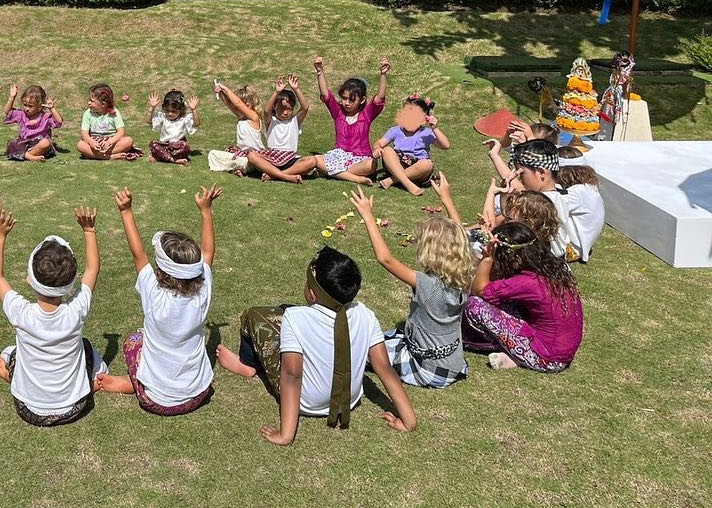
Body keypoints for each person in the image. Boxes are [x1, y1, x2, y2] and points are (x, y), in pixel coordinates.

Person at [217, 247, 417, 443]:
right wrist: (409, 421)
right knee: (285, 309)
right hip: (350, 399)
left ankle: (247, 365)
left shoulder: (295, 319)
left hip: (308, 403)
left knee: (254, 315)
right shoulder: (366, 314)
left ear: (312, 294)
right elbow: (384, 367)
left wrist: (286, 435)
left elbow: (292, 375)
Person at [95, 186, 220, 415]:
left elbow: (138, 254)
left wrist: (126, 211)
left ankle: (133, 382)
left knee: (135, 340)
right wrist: (205, 210)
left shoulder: (153, 293)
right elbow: (209, 253)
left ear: (160, 271)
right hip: (197, 394)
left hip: (152, 398)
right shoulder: (203, 292)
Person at [0, 202, 107, 426]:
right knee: (87, 348)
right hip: (75, 407)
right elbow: (92, 269)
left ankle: (7, 372)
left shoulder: (21, 312)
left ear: (29, 280)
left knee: (9, 354)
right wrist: (89, 230)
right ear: (71, 283)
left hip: (27, 408)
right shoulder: (76, 310)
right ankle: (95, 379)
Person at [352, 189, 472, 388]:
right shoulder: (465, 277)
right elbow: (462, 239)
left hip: (428, 369)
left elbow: (385, 259)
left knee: (361, 348)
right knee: (382, 337)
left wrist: (368, 216)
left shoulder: (427, 284)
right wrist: (446, 198)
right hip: (453, 364)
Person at [463, 221, 583, 372]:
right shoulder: (554, 269)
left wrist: (487, 259)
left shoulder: (529, 283)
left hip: (547, 358)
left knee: (475, 305)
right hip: (562, 351)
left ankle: (516, 355)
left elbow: (480, 290)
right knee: (507, 301)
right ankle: (515, 357)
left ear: (515, 258)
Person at [310, 55, 389, 185]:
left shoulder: (366, 115)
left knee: (371, 165)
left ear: (362, 100)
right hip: (339, 156)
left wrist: (383, 75)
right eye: (344, 98)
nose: (346, 103)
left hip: (361, 158)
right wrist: (320, 71)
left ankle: (331, 172)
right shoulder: (338, 112)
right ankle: (355, 178)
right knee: (317, 159)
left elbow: (379, 98)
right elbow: (326, 95)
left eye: (352, 100)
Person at [246, 75, 319, 183]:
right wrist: (276, 92)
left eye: (289, 109)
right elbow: (266, 111)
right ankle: (286, 176)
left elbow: (305, 107)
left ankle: (275, 175)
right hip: (271, 158)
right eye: (282, 108)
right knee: (252, 156)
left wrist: (296, 89)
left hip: (290, 159)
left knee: (312, 161)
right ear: (275, 107)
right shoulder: (271, 121)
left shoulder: (294, 121)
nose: (285, 112)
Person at [375, 95, 450, 196]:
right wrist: (377, 148)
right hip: (398, 165)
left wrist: (435, 129)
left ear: (424, 120)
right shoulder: (396, 130)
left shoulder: (426, 133)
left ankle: (392, 180)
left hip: (418, 169)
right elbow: (379, 143)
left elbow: (446, 145)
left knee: (427, 164)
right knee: (387, 150)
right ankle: (408, 184)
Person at [555, 147, 605, 262]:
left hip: (570, 249)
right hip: (580, 245)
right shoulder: (588, 188)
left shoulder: (576, 194)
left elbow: (548, 206)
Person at [207, 81, 264, 174]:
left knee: (242, 161)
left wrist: (225, 89)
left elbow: (237, 104)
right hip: (241, 155)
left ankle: (245, 169)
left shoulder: (254, 117)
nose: (236, 109)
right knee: (212, 154)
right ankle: (240, 169)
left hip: (254, 156)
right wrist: (221, 93)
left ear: (248, 104)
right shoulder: (241, 118)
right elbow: (230, 105)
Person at [77, 82, 140, 160]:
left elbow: (121, 132)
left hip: (111, 143)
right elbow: (84, 133)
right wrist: (91, 142)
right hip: (95, 142)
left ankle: (97, 155)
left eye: (92, 101)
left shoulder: (114, 112)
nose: (89, 103)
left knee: (128, 141)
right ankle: (110, 156)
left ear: (103, 104)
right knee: (80, 145)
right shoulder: (88, 113)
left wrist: (109, 142)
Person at [3, 83, 64, 162]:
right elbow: (7, 111)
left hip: (39, 145)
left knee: (46, 143)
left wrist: (52, 108)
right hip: (24, 143)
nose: (27, 108)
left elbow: (59, 122)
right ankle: (32, 157)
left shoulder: (45, 117)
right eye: (25, 105)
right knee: (12, 143)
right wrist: (12, 97)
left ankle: (25, 155)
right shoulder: (22, 114)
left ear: (40, 106)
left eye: (31, 106)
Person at [147, 89, 200, 165]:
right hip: (164, 145)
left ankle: (162, 158)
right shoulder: (163, 117)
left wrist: (194, 110)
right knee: (153, 145)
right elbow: (149, 121)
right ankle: (175, 160)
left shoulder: (184, 118)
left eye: (174, 111)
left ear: (181, 110)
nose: (170, 114)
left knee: (185, 147)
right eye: (168, 111)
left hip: (178, 147)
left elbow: (196, 124)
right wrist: (151, 108)